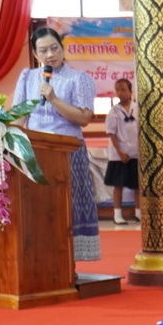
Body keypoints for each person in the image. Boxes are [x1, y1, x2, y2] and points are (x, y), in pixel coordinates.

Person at [13, 27, 101, 261]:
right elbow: (20, 117)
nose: (50, 54)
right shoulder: (28, 77)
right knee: (39, 206)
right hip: (36, 152)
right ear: (35, 53)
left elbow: (84, 118)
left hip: (68, 153)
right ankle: (42, 259)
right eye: (43, 50)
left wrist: (53, 99)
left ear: (62, 49)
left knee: (67, 206)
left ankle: (68, 261)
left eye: (54, 48)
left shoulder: (78, 79)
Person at [103, 77, 139, 224]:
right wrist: (119, 152)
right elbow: (111, 133)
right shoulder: (114, 111)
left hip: (135, 152)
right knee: (118, 185)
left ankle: (139, 212)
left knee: (138, 185)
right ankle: (117, 214)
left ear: (131, 91)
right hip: (119, 154)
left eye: (123, 89)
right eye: (117, 90)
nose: (120, 93)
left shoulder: (137, 108)